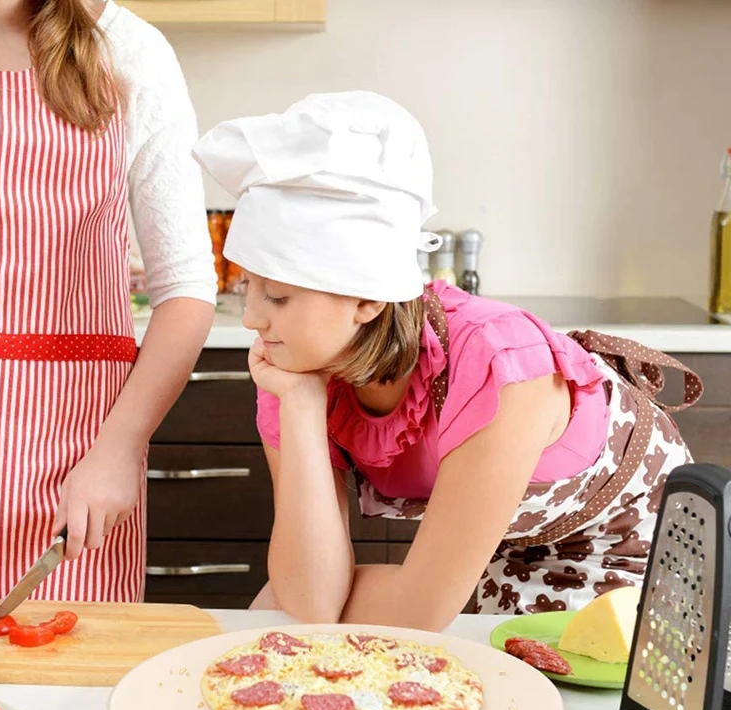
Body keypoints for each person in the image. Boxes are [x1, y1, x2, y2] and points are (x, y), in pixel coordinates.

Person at [194, 91, 701, 631]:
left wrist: (344, 595)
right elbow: (308, 600)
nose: (251, 319)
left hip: (638, 564)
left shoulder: (497, 366)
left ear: (367, 300)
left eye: (276, 296)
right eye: (247, 288)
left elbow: (409, 613)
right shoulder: (293, 366)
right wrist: (299, 405)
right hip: (508, 554)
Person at [0, 0, 216, 632]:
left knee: (79, 671)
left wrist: (120, 449)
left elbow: (187, 286)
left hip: (85, 451)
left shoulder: (130, 51)